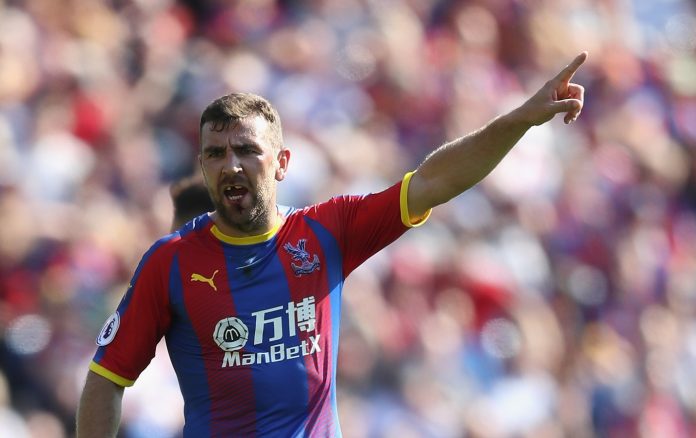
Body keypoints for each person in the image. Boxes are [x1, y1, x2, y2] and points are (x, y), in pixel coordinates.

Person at [76, 52, 588, 437]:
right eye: (215, 153)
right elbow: (106, 377)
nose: (231, 164)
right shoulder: (170, 262)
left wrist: (520, 119)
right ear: (204, 167)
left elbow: (436, 180)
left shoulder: (326, 231)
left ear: (281, 163)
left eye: (247, 150)